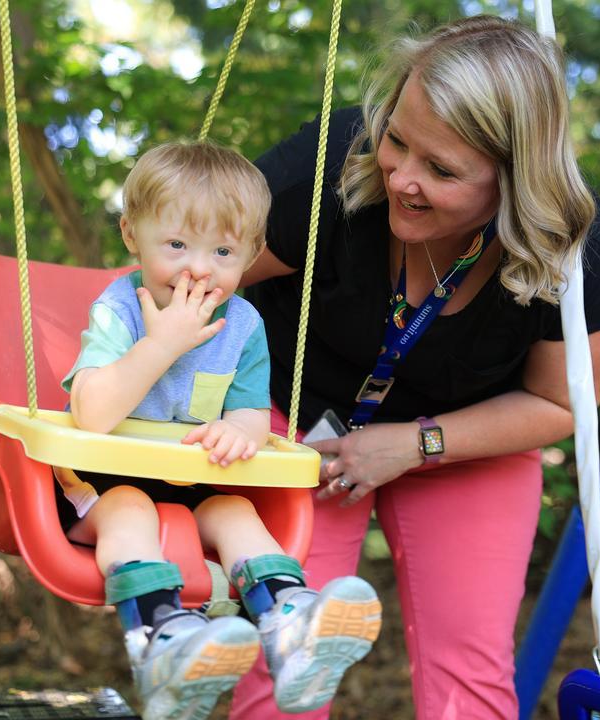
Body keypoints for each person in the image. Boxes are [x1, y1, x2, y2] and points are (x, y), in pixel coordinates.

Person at [231, 15, 600, 720]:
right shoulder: (330, 166)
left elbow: (566, 404)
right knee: (283, 657)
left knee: (469, 677)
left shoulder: (573, 248)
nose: (403, 178)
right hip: (296, 420)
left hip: (471, 439)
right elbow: (190, 281)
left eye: (441, 170)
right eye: (398, 141)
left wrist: (417, 444)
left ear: (514, 181)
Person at [58, 141, 382, 720]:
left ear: (253, 253)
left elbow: (252, 408)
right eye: (177, 244)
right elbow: (91, 411)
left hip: (191, 486)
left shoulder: (244, 324)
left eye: (224, 250)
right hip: (103, 483)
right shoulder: (121, 309)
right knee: (131, 505)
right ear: (132, 234)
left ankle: (291, 626)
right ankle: (159, 637)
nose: (199, 267)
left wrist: (243, 432)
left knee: (236, 510)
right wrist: (161, 344)